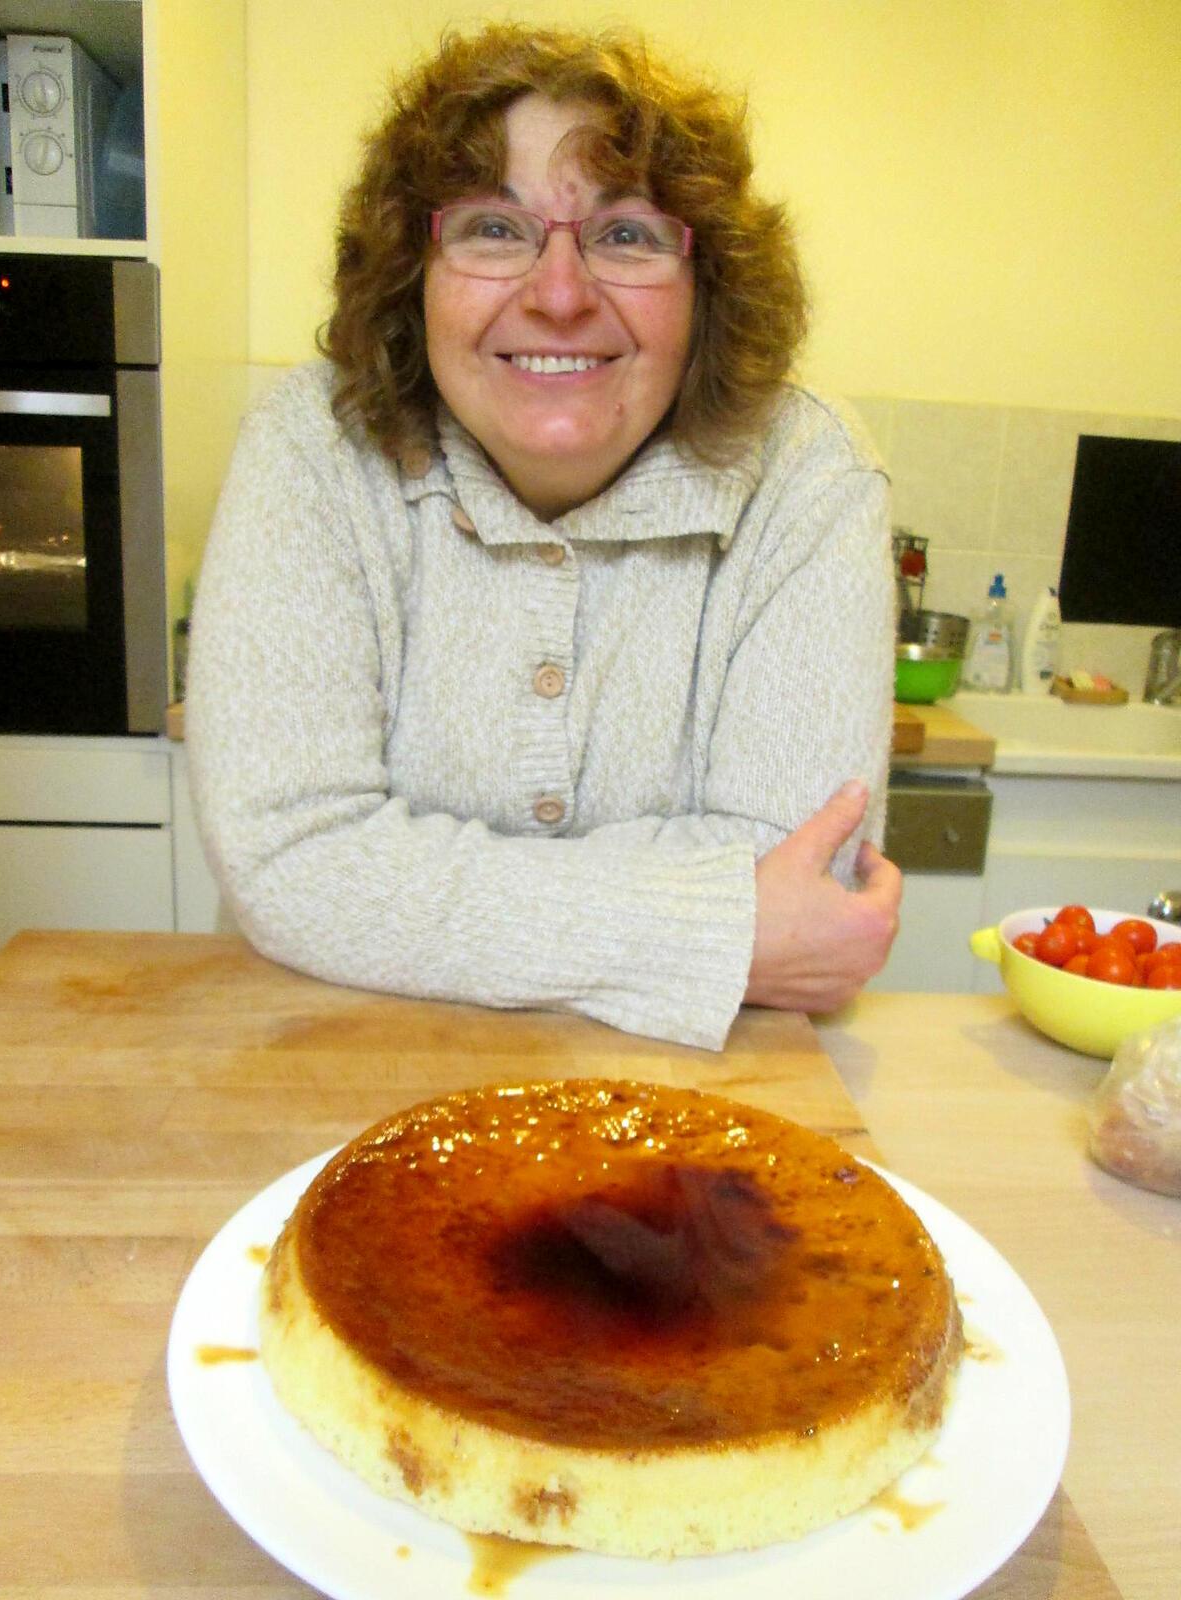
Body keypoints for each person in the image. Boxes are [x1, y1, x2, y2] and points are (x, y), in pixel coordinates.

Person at [187, 23, 901, 1051]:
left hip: (689, 1108)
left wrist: (401, 892)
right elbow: (290, 860)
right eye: (491, 229)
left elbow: (805, 878)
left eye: (627, 236)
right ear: (410, 274)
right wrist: (711, 924)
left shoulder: (808, 470)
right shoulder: (314, 442)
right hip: (335, 1063)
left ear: (711, 290)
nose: (559, 295)